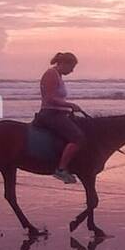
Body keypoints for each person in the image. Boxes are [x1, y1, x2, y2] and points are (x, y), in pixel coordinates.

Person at [38, 52, 86, 183]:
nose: (72, 70)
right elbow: (49, 99)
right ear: (63, 63)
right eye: (71, 67)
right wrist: (69, 104)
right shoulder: (51, 74)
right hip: (50, 114)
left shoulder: (58, 75)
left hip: (59, 113)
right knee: (78, 138)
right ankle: (61, 169)